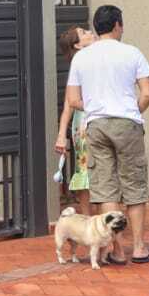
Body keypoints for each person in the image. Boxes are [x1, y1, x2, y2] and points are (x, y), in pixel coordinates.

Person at [65, 5, 149, 265]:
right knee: (134, 186)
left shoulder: (81, 58)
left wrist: (97, 108)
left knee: (106, 189)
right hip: (127, 123)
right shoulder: (132, 53)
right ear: (118, 25)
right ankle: (139, 248)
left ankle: (116, 251)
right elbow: (148, 92)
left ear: (97, 27)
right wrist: (132, 112)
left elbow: (73, 99)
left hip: (96, 126)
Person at [55, 25, 98, 216]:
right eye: (83, 33)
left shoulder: (99, 57)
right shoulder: (78, 66)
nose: (90, 32)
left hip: (98, 119)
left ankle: (98, 217)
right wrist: (61, 136)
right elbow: (68, 106)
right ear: (78, 46)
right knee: (86, 170)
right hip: (84, 125)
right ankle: (89, 218)